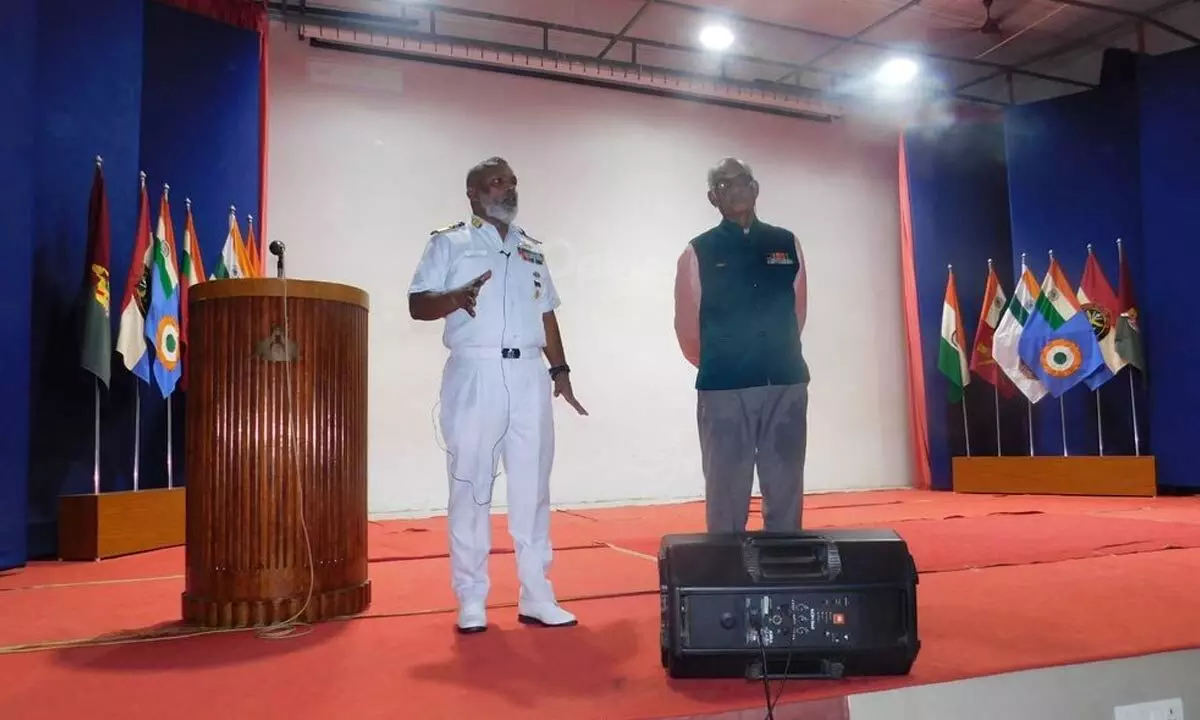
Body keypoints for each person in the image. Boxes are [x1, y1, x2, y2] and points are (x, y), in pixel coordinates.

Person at [408, 156, 588, 634]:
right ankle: (471, 597)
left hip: (530, 375)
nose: (507, 189)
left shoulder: (532, 250)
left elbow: (547, 313)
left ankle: (536, 592)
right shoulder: (449, 243)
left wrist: (561, 369)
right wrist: (455, 297)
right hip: (476, 372)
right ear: (472, 193)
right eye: (495, 182)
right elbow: (416, 303)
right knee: (471, 486)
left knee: (532, 487)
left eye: (511, 182)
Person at [672, 157, 810, 533]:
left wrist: (774, 351)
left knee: (785, 483)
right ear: (712, 197)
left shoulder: (786, 243)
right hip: (725, 386)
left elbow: (798, 312)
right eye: (724, 184)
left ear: (756, 188)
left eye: (742, 181)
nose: (735, 189)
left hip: (785, 380)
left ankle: (784, 569)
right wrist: (725, 359)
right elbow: (687, 326)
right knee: (726, 488)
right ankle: (726, 575)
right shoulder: (697, 251)